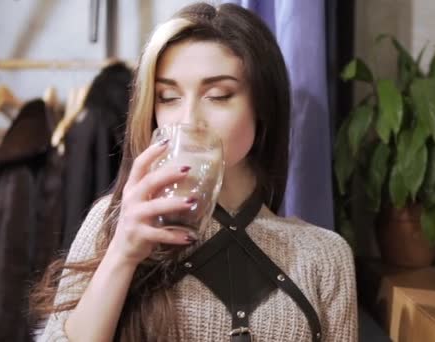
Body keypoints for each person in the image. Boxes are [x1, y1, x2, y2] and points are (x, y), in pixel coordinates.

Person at [32, 3, 357, 341]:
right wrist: (122, 254)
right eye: (168, 97)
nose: (188, 120)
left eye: (218, 95)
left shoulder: (324, 255)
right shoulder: (112, 223)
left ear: (262, 106)